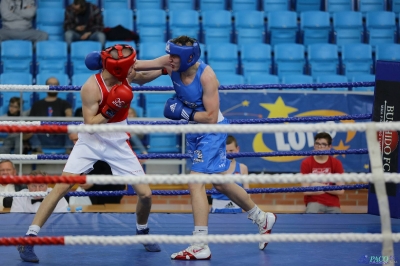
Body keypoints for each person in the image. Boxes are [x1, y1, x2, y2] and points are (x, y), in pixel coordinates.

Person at [17, 44, 164, 263]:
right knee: (61, 187)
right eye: (128, 67)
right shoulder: (91, 87)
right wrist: (111, 107)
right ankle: (29, 238)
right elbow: (91, 124)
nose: (131, 69)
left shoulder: (126, 74)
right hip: (91, 139)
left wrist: (166, 68)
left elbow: (143, 74)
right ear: (117, 69)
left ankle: (141, 230)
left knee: (146, 194)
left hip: (117, 140)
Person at [134, 35, 277, 260]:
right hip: (195, 130)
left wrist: (183, 112)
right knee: (220, 182)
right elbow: (140, 72)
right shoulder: (171, 63)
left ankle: (200, 243)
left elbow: (210, 117)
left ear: (188, 58)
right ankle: (262, 218)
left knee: (195, 180)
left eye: (174, 56)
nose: (169, 59)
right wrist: (115, 62)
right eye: (169, 55)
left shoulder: (207, 76)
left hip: (212, 129)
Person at [68, 132, 125, 205]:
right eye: (73, 140)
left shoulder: (105, 148)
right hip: (91, 192)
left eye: (77, 139)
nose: (75, 143)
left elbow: (115, 174)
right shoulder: (78, 150)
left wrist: (93, 182)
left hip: (110, 191)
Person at [301, 132, 345, 213]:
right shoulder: (306, 163)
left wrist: (319, 186)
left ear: (329, 147)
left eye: (324, 144)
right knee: (310, 216)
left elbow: (341, 190)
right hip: (314, 202)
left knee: (338, 222)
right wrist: (329, 188)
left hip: (333, 203)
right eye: (317, 144)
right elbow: (305, 191)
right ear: (314, 146)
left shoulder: (336, 163)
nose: (320, 147)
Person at [26, 77, 73, 154]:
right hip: (42, 137)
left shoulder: (64, 103)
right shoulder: (37, 105)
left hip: (59, 135)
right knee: (32, 130)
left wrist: (65, 122)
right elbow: (30, 123)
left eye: (55, 84)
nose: (53, 86)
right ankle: (38, 150)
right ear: (45, 86)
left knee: (70, 127)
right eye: (50, 84)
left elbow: (69, 116)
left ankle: (69, 151)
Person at [210, 135, 249, 213]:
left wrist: (246, 208)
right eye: (225, 151)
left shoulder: (242, 168)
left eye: (231, 151)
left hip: (238, 208)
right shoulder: (214, 167)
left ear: (237, 149)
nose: (228, 154)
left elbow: (247, 191)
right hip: (217, 208)